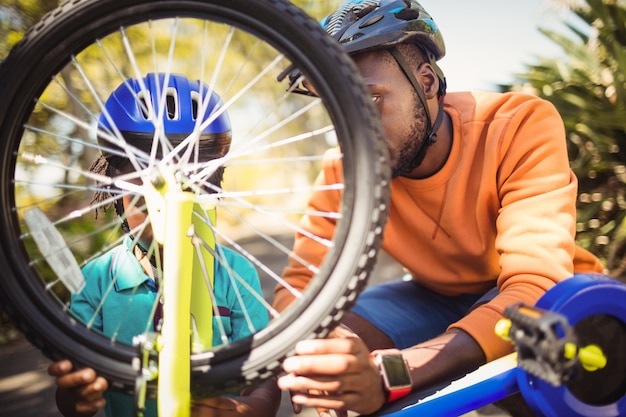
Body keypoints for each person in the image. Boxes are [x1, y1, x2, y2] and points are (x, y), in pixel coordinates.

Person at [273, 1, 604, 416]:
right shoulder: (345, 167)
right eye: (339, 110)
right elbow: (297, 288)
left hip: (548, 298)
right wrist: (331, 349)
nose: (354, 131)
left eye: (371, 101)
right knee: (325, 357)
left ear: (426, 81)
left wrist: (390, 374)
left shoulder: (518, 124)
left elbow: (533, 288)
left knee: (538, 379)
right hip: (433, 297)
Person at [47, 73, 280, 417]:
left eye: (188, 173)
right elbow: (71, 394)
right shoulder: (96, 278)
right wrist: (77, 396)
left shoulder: (234, 272)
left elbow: (264, 375)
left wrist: (248, 409)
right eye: (144, 170)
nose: (166, 189)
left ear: (212, 187)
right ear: (113, 187)